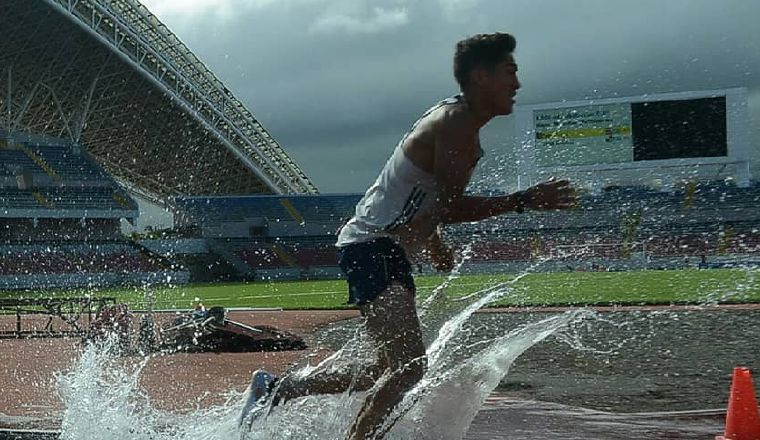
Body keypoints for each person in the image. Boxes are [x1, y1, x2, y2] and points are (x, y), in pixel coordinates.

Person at [240, 32, 576, 439]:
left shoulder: (461, 126)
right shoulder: (455, 123)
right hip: (372, 246)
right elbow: (448, 206)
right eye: (510, 73)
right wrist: (523, 199)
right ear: (481, 76)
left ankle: (279, 388)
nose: (517, 85)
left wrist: (431, 240)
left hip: (382, 249)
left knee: (387, 368)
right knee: (408, 367)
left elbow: (431, 202)